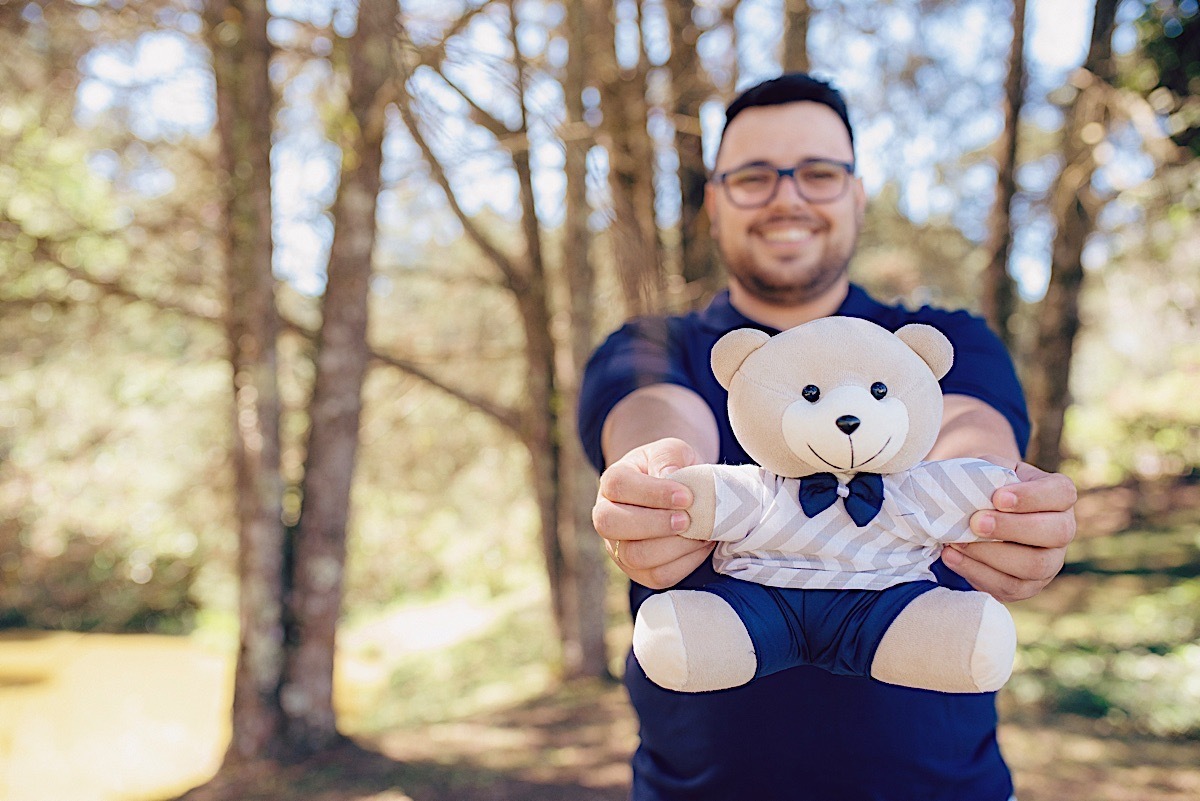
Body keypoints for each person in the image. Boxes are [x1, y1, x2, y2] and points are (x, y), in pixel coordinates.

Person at [577, 73, 1077, 801]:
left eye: (818, 173)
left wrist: (996, 500)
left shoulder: (943, 342)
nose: (788, 197)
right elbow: (658, 415)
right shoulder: (652, 345)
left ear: (856, 193)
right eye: (753, 176)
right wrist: (659, 480)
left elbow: (970, 436)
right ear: (714, 199)